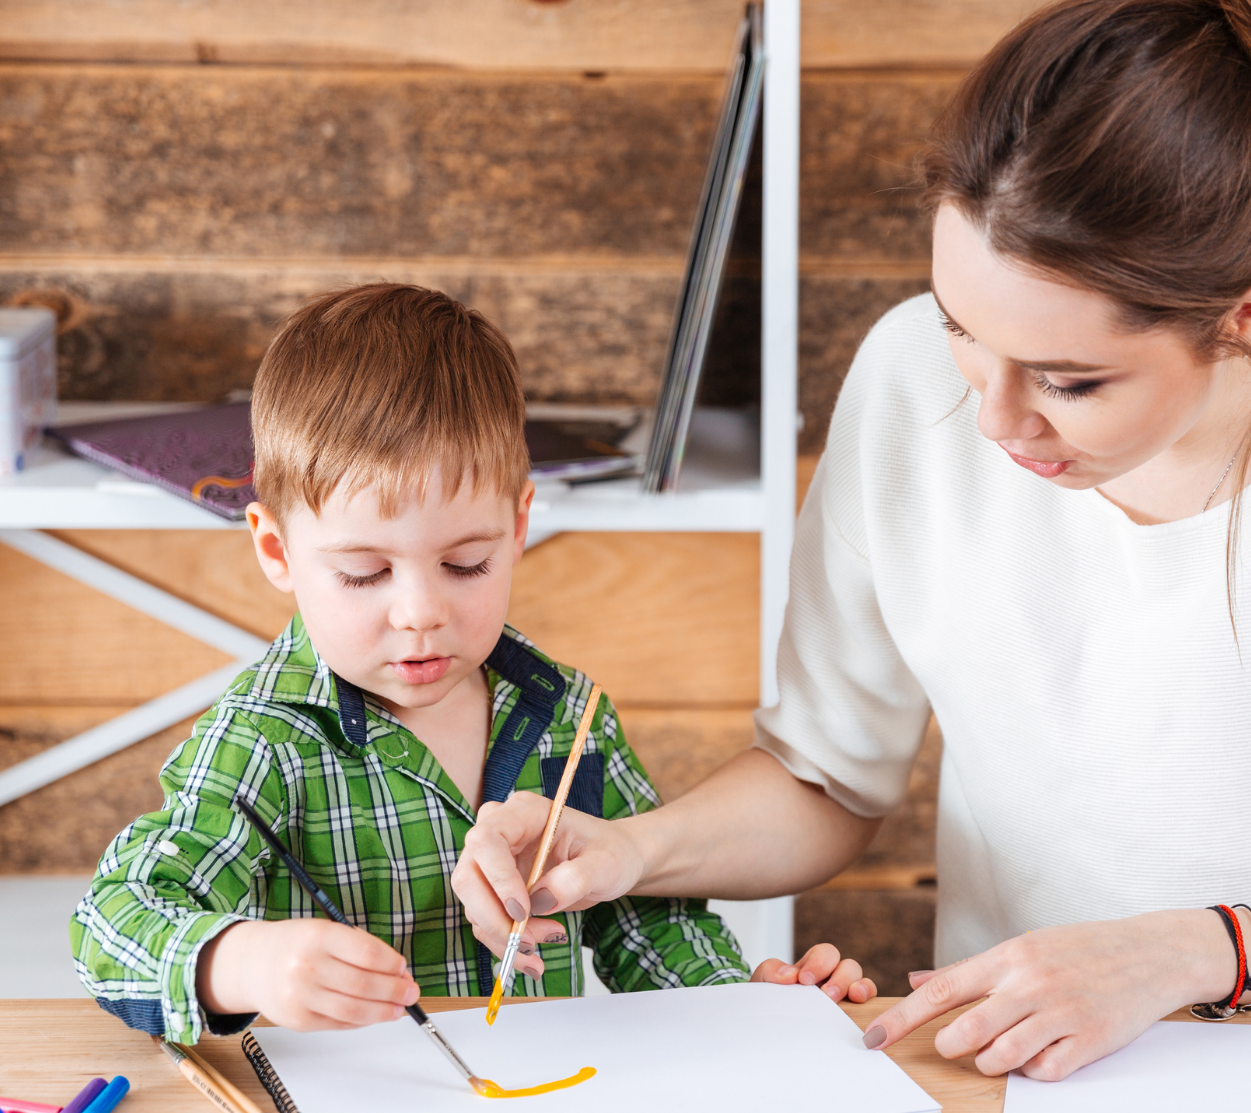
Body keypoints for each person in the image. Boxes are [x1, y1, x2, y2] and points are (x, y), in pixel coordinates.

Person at [456, 0, 1251, 1083]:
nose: (994, 419)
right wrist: (627, 852)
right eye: (960, 326)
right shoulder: (905, 380)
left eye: (1069, 381)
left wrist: (1192, 953)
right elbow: (822, 782)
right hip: (1018, 1082)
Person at [70, 283, 874, 1043]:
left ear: (517, 528)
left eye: (466, 565)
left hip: (537, 1108)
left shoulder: (568, 714)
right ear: (277, 551)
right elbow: (113, 921)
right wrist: (241, 963)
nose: (421, 611)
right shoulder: (262, 741)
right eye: (364, 573)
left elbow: (646, 920)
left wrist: (741, 1003)